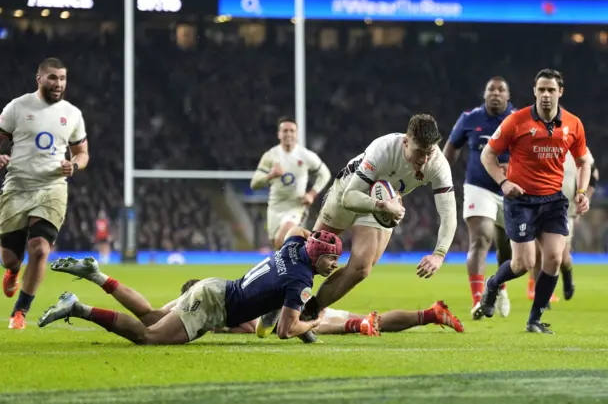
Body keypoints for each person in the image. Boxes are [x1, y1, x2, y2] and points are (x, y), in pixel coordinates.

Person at [37, 226, 342, 344]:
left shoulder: (293, 247)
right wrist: (311, 322)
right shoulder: (301, 280)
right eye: (332, 258)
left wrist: (314, 234)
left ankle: (97, 276)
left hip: (216, 288)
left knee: (153, 317)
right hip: (215, 304)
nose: (335, 265)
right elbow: (286, 330)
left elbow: (295, 228)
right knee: (149, 337)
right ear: (316, 254)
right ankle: (78, 307)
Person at [298, 114, 457, 323]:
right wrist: (383, 205)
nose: (424, 160)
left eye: (429, 152)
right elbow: (349, 197)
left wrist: (439, 254)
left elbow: (448, 213)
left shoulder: (437, 165)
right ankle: (277, 300)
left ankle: (309, 312)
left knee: (361, 269)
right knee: (313, 254)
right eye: (419, 152)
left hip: (384, 201)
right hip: (351, 189)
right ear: (406, 142)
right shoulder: (384, 149)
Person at [477, 69, 591, 334]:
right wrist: (504, 182)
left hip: (553, 200)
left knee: (553, 258)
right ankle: (493, 284)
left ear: (560, 92)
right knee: (523, 264)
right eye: (541, 90)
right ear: (534, 92)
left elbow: (584, 161)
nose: (546, 95)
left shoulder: (573, 124)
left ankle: (534, 320)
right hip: (521, 200)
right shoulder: (516, 121)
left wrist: (582, 192)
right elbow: (487, 154)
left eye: (551, 90)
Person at [0, 57, 89, 330]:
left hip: (52, 188)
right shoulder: (18, 107)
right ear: (39, 78)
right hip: (17, 187)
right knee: (10, 257)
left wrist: (74, 164)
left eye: (62, 78)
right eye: (53, 77)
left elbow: (82, 152)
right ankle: (13, 270)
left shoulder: (73, 114)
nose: (58, 83)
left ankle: (20, 311)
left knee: (40, 249)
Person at [443, 77, 514, 319]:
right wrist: (443, 177)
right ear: (484, 95)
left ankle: (499, 286)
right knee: (481, 237)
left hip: (510, 190)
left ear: (508, 96)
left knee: (507, 250)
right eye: (491, 89)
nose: (495, 93)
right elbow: (451, 148)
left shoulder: (519, 119)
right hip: (478, 186)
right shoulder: (469, 119)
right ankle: (478, 300)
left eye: (501, 89)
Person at [179, 279, 464, 336]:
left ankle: (356, 326)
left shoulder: (230, 314)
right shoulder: (238, 295)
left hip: (298, 314)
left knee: (358, 323)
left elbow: (255, 327)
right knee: (375, 321)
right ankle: (430, 314)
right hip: (304, 305)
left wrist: (221, 329)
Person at [527, 149, 598, 301]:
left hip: (566, 209)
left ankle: (567, 275)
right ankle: (542, 295)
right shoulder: (542, 143)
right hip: (539, 205)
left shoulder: (576, 144)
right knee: (538, 253)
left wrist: (585, 197)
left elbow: (593, 175)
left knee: (562, 256)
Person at [250, 117, 331, 250]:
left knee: (282, 240)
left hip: (296, 206)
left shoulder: (305, 155)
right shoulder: (271, 155)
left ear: (296, 134)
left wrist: (312, 193)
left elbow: (325, 174)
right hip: (275, 207)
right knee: (278, 245)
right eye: (285, 130)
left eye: (292, 131)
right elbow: (254, 184)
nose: (288, 134)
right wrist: (270, 175)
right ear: (279, 134)